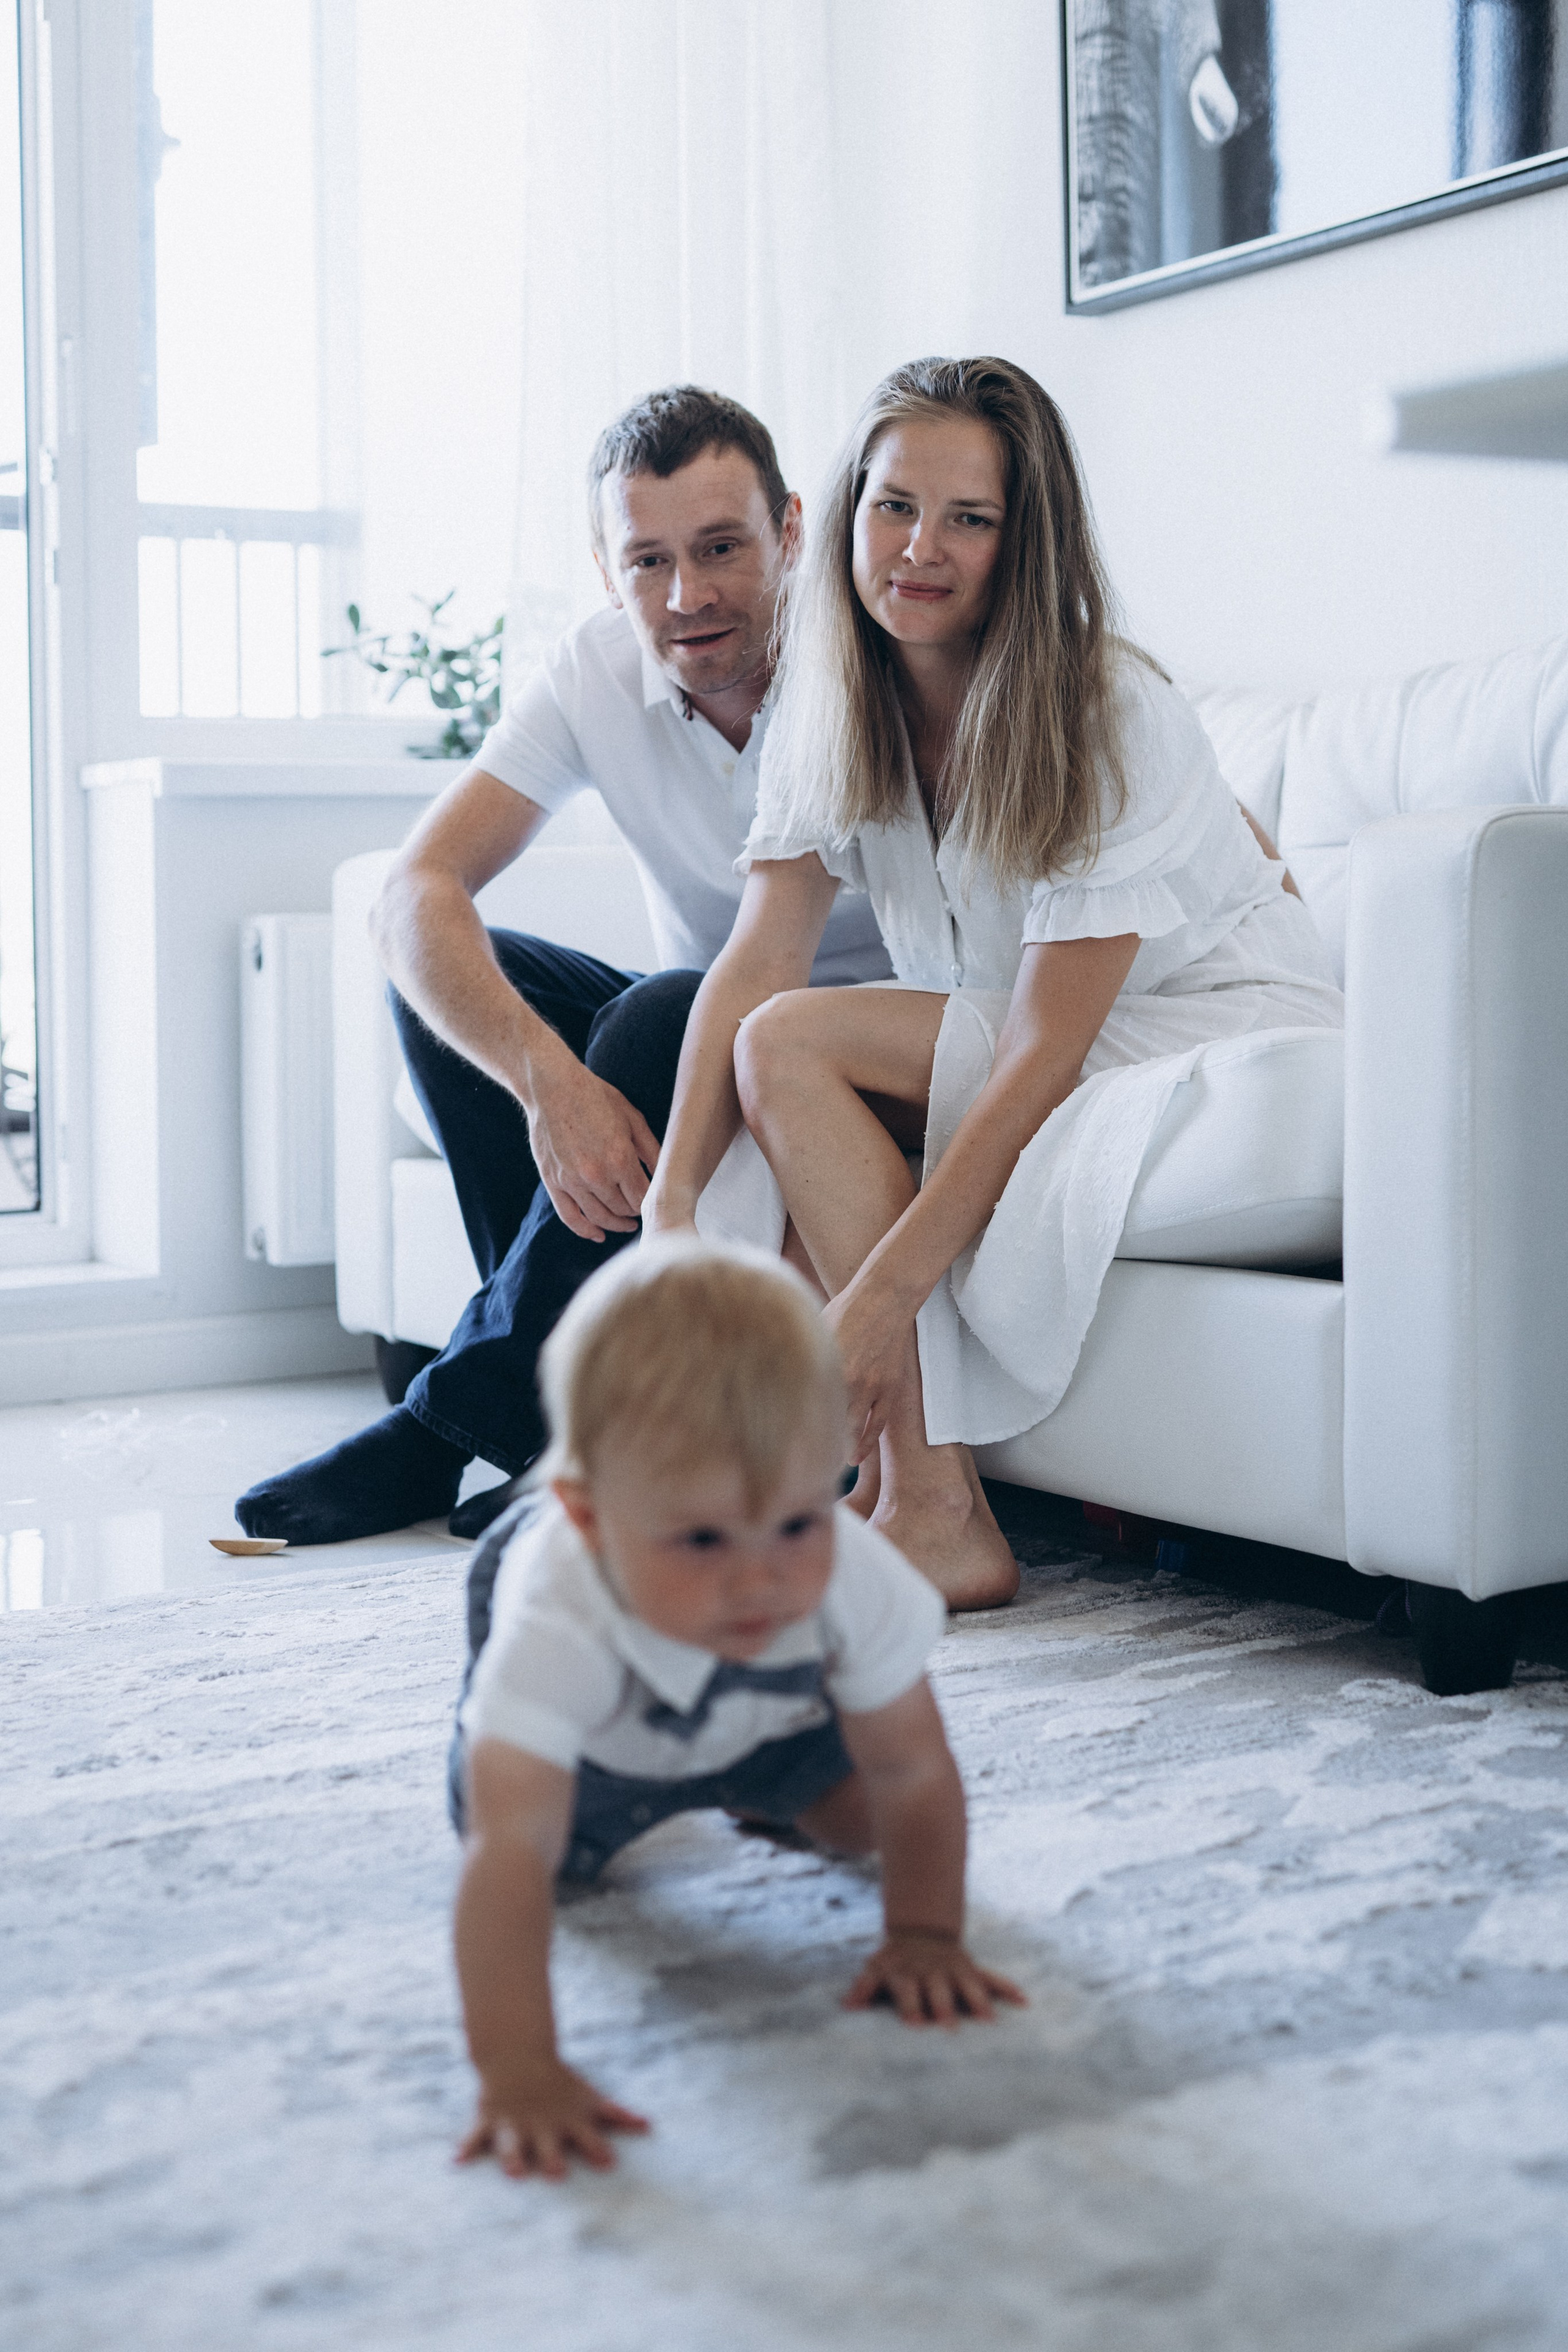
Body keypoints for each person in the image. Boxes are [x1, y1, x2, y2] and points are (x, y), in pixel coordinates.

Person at [642, 356, 1343, 1611]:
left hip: (1212, 1024)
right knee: (785, 1093)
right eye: (894, 506)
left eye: (970, 518)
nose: (919, 549)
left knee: (793, 1053)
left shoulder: (1101, 708)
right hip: (1040, 1023)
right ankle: (874, 1498)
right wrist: (670, 1206)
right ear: (844, 510)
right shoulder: (832, 700)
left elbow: (1038, 1053)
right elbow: (755, 958)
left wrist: (878, 1298)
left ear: (1024, 543)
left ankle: (932, 1507)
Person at [236, 386, 890, 1547]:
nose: (687, 598)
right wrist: (548, 1084)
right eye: (649, 561)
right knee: (485, 984)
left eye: (722, 548)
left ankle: (452, 1424)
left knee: (666, 1015)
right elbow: (414, 891)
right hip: (704, 1036)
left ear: (793, 530)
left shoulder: (872, 656)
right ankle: (551, 1420)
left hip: (863, 1063)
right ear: (606, 567)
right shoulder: (597, 670)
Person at [452, 1240, 1025, 2182]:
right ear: (591, 1519)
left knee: (863, 1822)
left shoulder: (841, 1569)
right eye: (704, 1538)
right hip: (602, 1751)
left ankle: (753, 1789)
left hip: (767, 1716)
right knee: (547, 1862)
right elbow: (506, 1856)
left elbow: (915, 1767)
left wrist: (925, 1935)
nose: (759, 1578)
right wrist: (517, 2070)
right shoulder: (556, 1613)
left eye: (796, 1522)